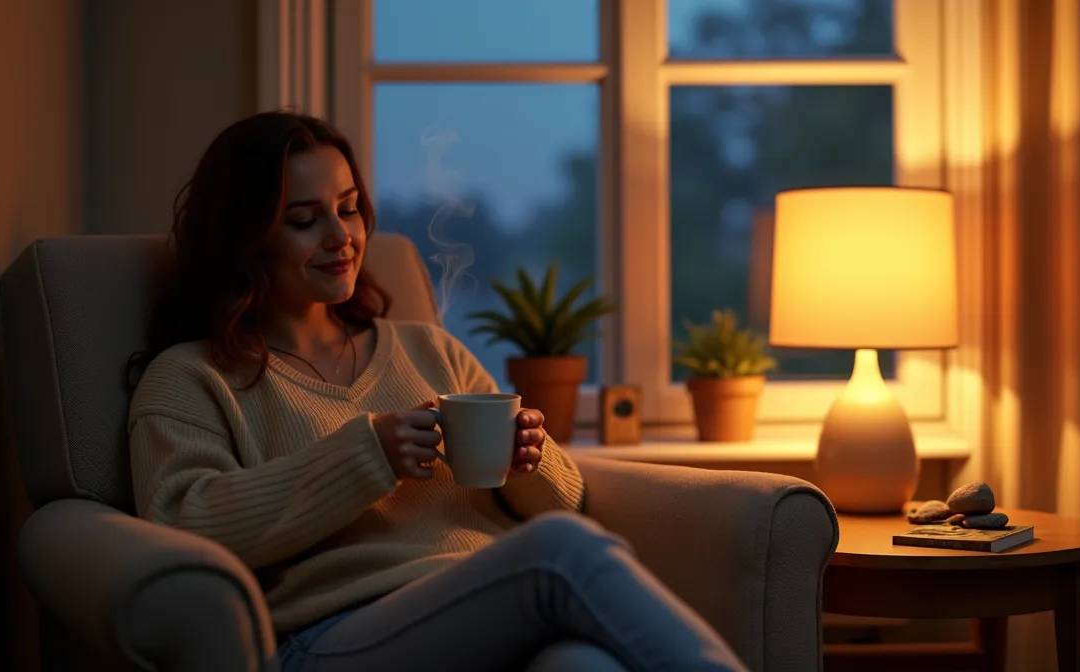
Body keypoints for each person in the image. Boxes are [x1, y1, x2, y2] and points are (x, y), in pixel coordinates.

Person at [127, 111, 747, 672]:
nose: (341, 237)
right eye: (304, 220)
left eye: (347, 208)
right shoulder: (191, 377)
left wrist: (529, 463)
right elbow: (183, 524)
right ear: (245, 236)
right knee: (561, 552)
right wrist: (369, 455)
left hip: (485, 607)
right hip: (331, 635)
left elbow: (570, 504)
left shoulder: (430, 350)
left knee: (582, 664)